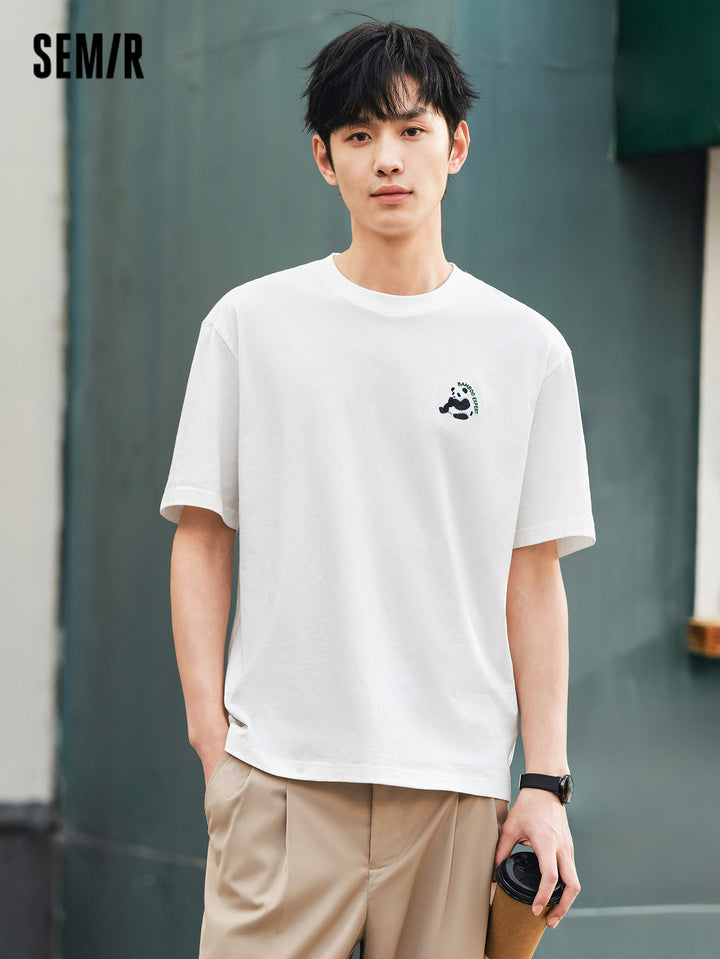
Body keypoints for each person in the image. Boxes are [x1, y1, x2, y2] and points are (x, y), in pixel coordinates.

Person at [160, 18, 595, 959]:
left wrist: (545, 782)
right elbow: (201, 533)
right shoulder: (249, 325)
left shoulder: (527, 349)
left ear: (456, 144)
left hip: (454, 789)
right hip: (278, 779)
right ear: (324, 158)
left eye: (411, 129)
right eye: (359, 134)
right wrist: (213, 742)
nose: (387, 158)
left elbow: (533, 575)